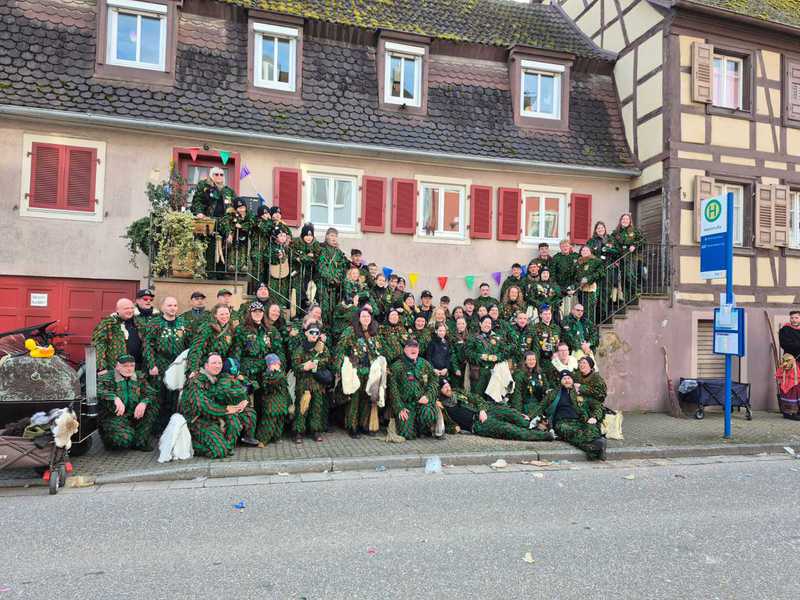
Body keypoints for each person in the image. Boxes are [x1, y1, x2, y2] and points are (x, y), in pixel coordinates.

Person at [178, 353, 257, 459]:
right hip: (197, 420)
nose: (217, 366)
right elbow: (203, 406)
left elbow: (226, 395)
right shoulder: (196, 381)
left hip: (212, 416)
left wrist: (242, 403)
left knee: (239, 418)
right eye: (214, 363)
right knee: (220, 451)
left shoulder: (216, 377)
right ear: (206, 365)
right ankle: (189, 445)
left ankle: (227, 444)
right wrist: (227, 409)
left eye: (219, 363)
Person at [438, 379, 554, 442]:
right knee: (509, 429)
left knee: (512, 414)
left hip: (487, 411)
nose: (448, 388)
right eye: (444, 387)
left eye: (448, 385)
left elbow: (477, 398)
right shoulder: (442, 408)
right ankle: (545, 435)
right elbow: (442, 427)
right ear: (439, 391)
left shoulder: (458, 392)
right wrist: (453, 429)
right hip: (478, 424)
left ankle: (535, 425)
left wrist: (482, 410)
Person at [143, 296, 189, 433]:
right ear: (162, 307)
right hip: (160, 363)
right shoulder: (154, 323)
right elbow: (147, 346)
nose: (173, 308)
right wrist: (152, 365)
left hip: (178, 365)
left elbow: (189, 345)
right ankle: (157, 428)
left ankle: (172, 427)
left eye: (175, 305)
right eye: (169, 305)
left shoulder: (183, 323)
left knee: (175, 396)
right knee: (159, 396)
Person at [336, 308, 385, 438]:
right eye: (363, 316)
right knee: (354, 399)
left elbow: (380, 349)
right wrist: (340, 367)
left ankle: (363, 425)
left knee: (366, 398)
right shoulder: (350, 331)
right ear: (358, 318)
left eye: (368, 316)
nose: (365, 319)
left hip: (371, 371)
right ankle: (352, 427)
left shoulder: (374, 332)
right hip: (355, 370)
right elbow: (341, 348)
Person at [97, 354, 158, 451]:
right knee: (124, 440)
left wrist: (143, 402)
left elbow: (151, 393)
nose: (129, 369)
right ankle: (110, 440)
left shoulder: (138, 376)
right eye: (125, 366)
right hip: (114, 416)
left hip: (134, 414)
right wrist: (114, 398)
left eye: (132, 366)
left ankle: (140, 441)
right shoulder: (107, 377)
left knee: (152, 407)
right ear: (117, 367)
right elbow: (98, 390)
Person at [542, 370, 606, 460]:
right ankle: (598, 446)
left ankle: (592, 448)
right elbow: (541, 406)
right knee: (574, 432)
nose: (567, 380)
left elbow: (598, 406)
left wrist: (594, 417)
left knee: (592, 428)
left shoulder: (579, 392)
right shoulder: (554, 393)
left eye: (569, 378)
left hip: (579, 421)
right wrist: (529, 417)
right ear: (560, 381)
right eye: (564, 379)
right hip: (562, 422)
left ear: (572, 380)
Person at [388, 338, 441, 440]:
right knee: (406, 434)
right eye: (410, 347)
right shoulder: (396, 366)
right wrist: (399, 408)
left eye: (416, 347)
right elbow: (393, 390)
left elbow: (434, 381)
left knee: (428, 414)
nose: (413, 350)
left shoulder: (424, 363)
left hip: (423, 403)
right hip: (406, 405)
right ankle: (414, 426)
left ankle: (425, 428)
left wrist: (428, 396)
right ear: (405, 349)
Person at [231, 301, 280, 410]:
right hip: (248, 370)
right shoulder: (241, 329)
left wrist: (277, 366)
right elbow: (236, 351)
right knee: (249, 402)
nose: (258, 314)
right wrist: (237, 371)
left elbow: (277, 350)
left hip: (265, 370)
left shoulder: (270, 330)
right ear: (250, 313)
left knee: (263, 402)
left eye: (260, 311)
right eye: (255, 311)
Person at [292, 322, 333, 442]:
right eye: (312, 332)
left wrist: (315, 363)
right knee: (302, 408)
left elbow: (327, 359)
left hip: (317, 384)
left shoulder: (322, 347)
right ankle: (299, 431)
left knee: (317, 408)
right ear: (306, 333)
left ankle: (315, 431)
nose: (314, 335)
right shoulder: (300, 348)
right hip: (303, 384)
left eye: (316, 333)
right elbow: (295, 365)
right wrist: (304, 367)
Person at [92, 298, 147, 373]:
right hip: (115, 369)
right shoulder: (108, 323)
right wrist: (101, 367)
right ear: (117, 310)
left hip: (137, 368)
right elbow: (99, 345)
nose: (130, 310)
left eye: (132, 308)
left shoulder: (139, 323)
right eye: (126, 308)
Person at [187, 304, 234, 376]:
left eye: (227, 314)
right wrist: (194, 369)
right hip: (205, 365)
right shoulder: (207, 328)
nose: (225, 316)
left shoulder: (229, 328)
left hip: (220, 366)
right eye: (221, 314)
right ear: (215, 315)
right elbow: (196, 349)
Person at [466, 315, 507, 395]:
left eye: (489, 323)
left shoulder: (497, 338)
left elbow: (504, 352)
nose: (487, 325)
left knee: (492, 397)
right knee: (478, 397)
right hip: (479, 372)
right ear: (480, 324)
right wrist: (480, 356)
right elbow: (468, 353)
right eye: (485, 322)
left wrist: (497, 357)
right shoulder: (473, 337)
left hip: (494, 373)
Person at [257, 353, 293, 445]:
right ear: (269, 365)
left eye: (277, 363)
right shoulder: (267, 375)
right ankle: (263, 439)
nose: (277, 365)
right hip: (271, 402)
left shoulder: (281, 374)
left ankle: (277, 437)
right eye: (274, 363)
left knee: (280, 420)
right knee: (269, 420)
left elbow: (285, 388)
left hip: (282, 402)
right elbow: (269, 384)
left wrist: (289, 401)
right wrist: (274, 372)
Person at [610, 213, 646, 300]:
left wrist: (634, 245)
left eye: (627, 219)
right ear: (620, 221)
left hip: (632, 257)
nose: (625, 221)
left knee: (630, 276)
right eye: (623, 219)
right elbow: (612, 244)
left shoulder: (634, 231)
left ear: (630, 221)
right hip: (621, 258)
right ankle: (627, 299)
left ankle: (636, 293)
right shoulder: (616, 232)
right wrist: (615, 259)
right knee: (624, 279)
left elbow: (643, 240)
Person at [317, 227, 349, 325]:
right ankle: (323, 326)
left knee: (334, 306)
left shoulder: (338, 252)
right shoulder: (321, 249)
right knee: (324, 306)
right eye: (332, 236)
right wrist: (330, 278)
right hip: (323, 283)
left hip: (335, 284)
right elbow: (321, 265)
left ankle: (332, 326)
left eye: (335, 236)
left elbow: (342, 267)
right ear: (327, 236)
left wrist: (337, 278)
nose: (334, 238)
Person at [218, 197, 255, 274]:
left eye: (243, 207)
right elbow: (225, 222)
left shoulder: (249, 215)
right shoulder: (231, 214)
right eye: (239, 208)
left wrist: (242, 226)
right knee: (232, 251)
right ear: (235, 209)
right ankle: (231, 265)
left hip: (244, 238)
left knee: (243, 251)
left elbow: (252, 223)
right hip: (234, 237)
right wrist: (229, 232)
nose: (242, 210)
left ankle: (243, 266)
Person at [290, 222, 321, 311]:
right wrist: (307, 257)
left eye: (311, 236)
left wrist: (306, 257)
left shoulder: (316, 244)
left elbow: (318, 257)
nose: (309, 238)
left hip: (309, 272)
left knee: (309, 290)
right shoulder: (296, 242)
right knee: (298, 290)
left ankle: (307, 307)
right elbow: (293, 255)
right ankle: (298, 310)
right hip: (297, 271)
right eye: (306, 235)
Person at [510, 351, 548, 415]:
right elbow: (517, 395)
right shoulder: (519, 374)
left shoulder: (539, 373)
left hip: (539, 404)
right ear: (525, 361)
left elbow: (545, 386)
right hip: (526, 405)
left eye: (533, 359)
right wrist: (518, 412)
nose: (532, 361)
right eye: (529, 360)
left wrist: (547, 391)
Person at [576, 245, 604, 320]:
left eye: (587, 250)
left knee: (589, 311)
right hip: (580, 289)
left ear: (590, 252)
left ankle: (590, 326)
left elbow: (600, 273)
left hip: (590, 290)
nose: (585, 252)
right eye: (583, 250)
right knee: (581, 311)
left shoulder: (596, 261)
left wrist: (588, 279)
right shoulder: (579, 262)